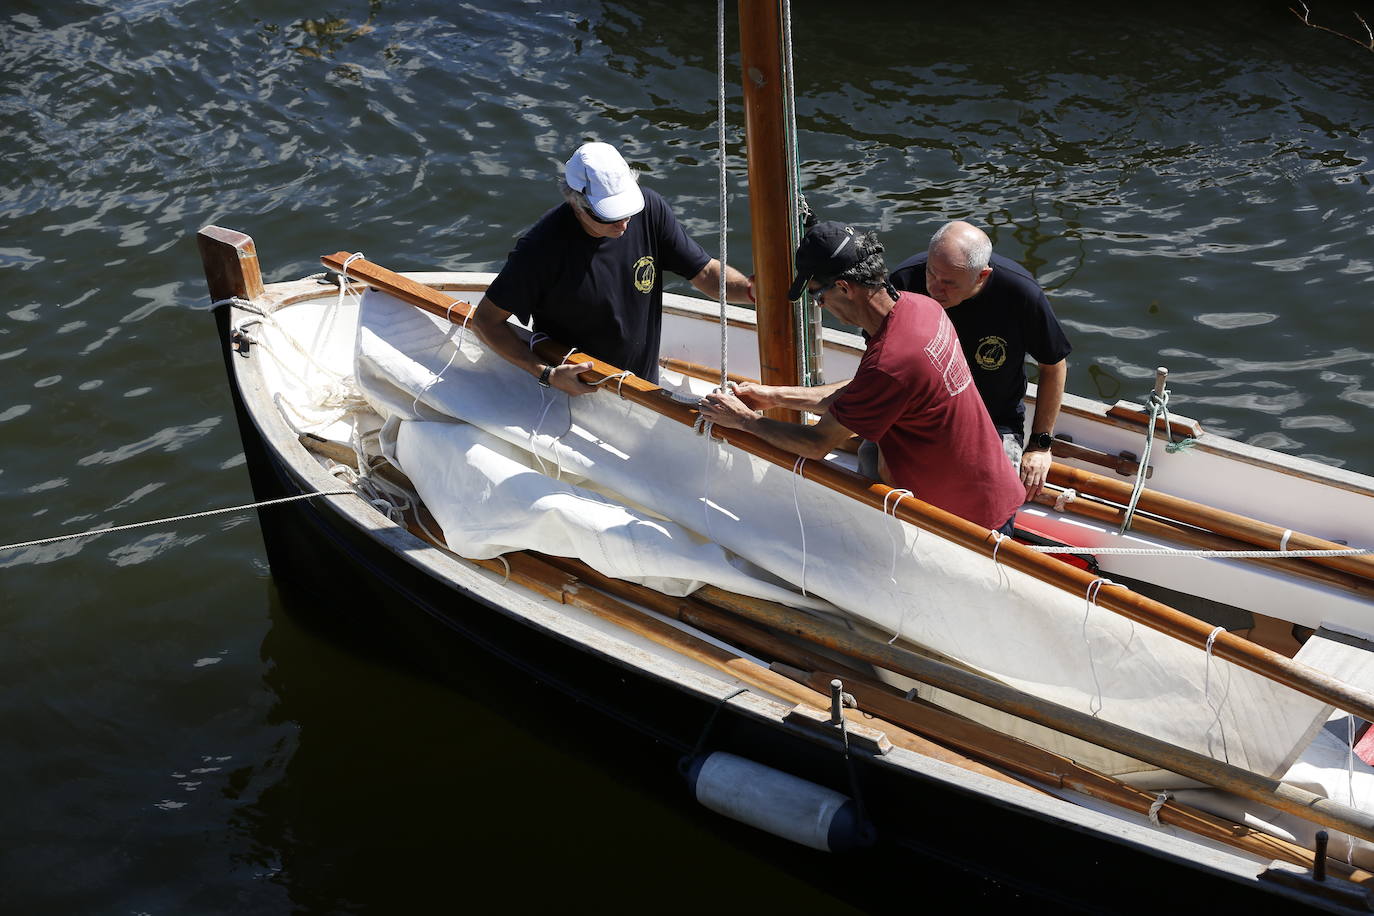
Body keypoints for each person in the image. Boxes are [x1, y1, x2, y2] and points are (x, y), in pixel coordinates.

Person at [697, 222, 1026, 534]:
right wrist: (775, 396)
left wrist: (744, 420)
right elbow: (863, 390)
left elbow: (815, 444)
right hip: (992, 490)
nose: (821, 306)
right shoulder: (920, 309)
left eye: (817, 296)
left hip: (970, 524)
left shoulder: (891, 362)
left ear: (843, 287)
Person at [472, 141, 753, 395]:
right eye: (609, 215)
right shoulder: (540, 249)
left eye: (627, 209)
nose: (623, 223)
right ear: (577, 204)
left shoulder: (650, 209)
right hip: (577, 390)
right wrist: (547, 374)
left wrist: (751, 292)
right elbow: (486, 320)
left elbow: (704, 272)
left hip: (641, 386)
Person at [889, 221, 1072, 501]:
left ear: (981, 276)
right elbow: (880, 356)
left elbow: (1053, 364)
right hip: (916, 414)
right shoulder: (903, 282)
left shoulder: (1020, 293)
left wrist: (1040, 445)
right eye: (931, 273)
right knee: (879, 486)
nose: (934, 289)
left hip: (993, 420)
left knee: (997, 502)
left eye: (949, 282)